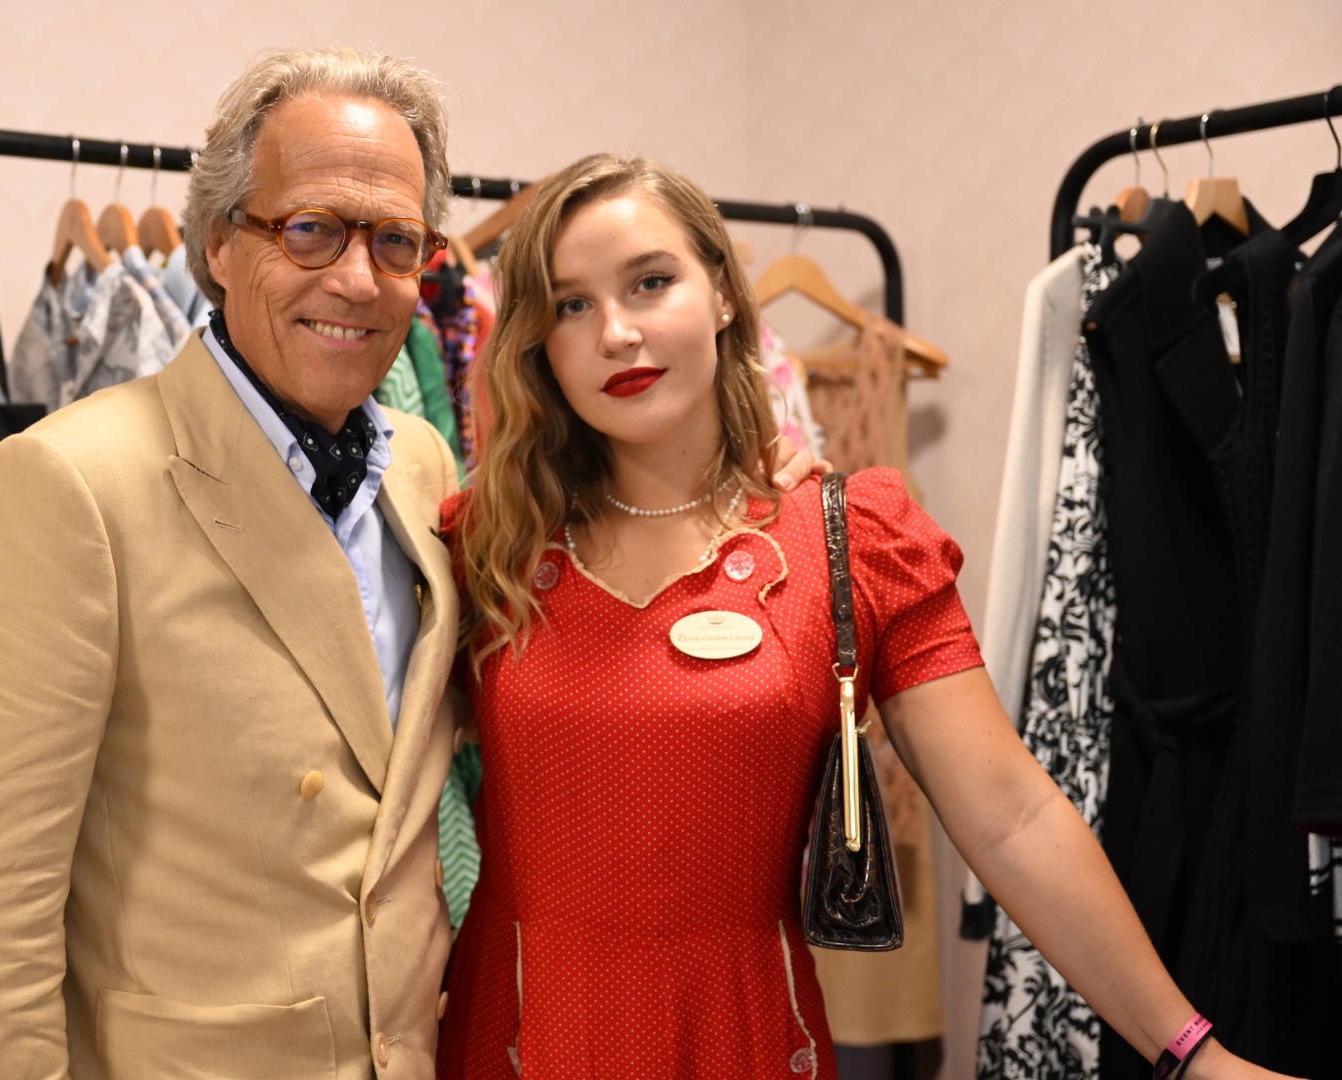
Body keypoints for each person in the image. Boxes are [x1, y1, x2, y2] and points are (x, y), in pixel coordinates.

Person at [0, 49, 830, 1079]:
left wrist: (745, 498)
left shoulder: (425, 470)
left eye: (395, 242)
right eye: (309, 230)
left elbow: (598, 613)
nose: (356, 279)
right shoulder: (69, 485)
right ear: (217, 242)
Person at [435, 154, 1296, 1079]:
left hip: (743, 1038)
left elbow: (1011, 816)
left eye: (651, 282)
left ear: (723, 295)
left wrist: (1191, 1052)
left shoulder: (849, 538)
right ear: (537, 342)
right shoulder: (483, 544)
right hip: (517, 1035)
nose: (616, 332)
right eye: (570, 305)